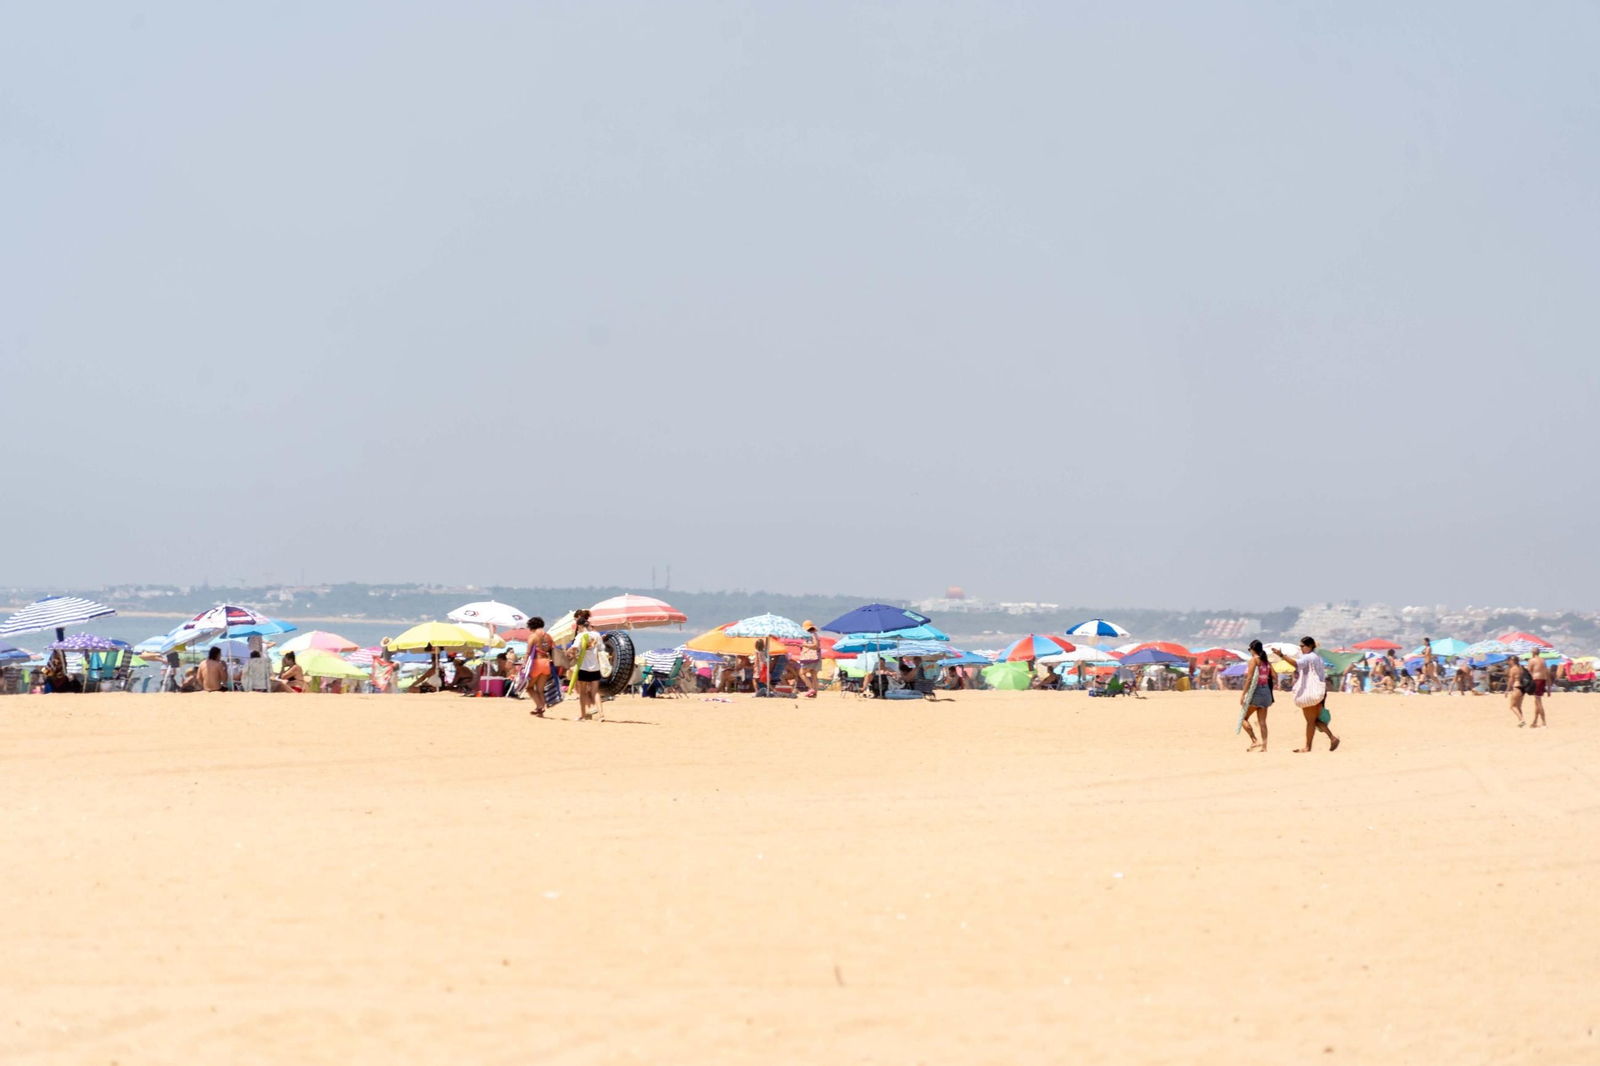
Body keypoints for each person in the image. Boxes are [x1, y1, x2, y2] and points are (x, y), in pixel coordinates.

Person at [1274, 636, 1340, 753]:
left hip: (1310, 691)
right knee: (1313, 720)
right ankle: (1327, 739)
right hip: (1319, 691)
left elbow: (1295, 664)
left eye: (1302, 646)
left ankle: (1321, 742)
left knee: (1310, 721)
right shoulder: (1318, 657)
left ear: (1309, 646)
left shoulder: (1308, 657)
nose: (1301, 648)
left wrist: (1281, 655)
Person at [1238, 639, 1274, 752]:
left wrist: (1243, 694)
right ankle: (1264, 747)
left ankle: (1254, 740)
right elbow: (1274, 676)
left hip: (1256, 691)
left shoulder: (1254, 660)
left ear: (1253, 649)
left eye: (1249, 649)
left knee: (1243, 718)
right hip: (1266, 692)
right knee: (1262, 722)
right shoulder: (1267, 662)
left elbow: (1249, 678)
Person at [570, 609, 604, 720]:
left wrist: (570, 653)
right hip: (595, 667)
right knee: (596, 692)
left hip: (584, 667)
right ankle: (601, 715)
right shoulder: (597, 635)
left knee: (582, 692)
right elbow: (601, 648)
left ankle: (583, 716)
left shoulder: (580, 636)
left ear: (579, 626)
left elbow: (574, 648)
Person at [524, 616, 554, 716]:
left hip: (537, 662)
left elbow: (528, 652)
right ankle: (541, 712)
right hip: (546, 662)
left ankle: (540, 706)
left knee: (529, 687)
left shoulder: (533, 636)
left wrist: (524, 665)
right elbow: (551, 649)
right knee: (540, 690)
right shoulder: (548, 636)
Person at [798, 621, 822, 699]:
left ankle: (811, 689)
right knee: (814, 676)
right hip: (817, 657)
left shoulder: (811, 635)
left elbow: (815, 645)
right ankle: (815, 693)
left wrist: (805, 644)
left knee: (801, 673)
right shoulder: (815, 634)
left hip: (811, 657)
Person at [1525, 653, 1550, 727]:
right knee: (1537, 701)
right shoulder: (1543, 661)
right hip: (1543, 680)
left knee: (1538, 701)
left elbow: (1528, 672)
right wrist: (1549, 688)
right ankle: (1535, 721)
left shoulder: (1532, 660)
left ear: (1533, 653)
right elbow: (1546, 673)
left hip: (1536, 680)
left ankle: (1543, 722)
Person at [1505, 655, 1529, 726]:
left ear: (1512, 661)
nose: (1508, 662)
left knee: (1512, 706)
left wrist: (1507, 690)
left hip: (1516, 687)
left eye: (1509, 660)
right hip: (1522, 688)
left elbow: (1511, 680)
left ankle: (1521, 719)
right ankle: (1521, 721)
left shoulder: (1513, 669)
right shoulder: (1521, 667)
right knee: (1518, 707)